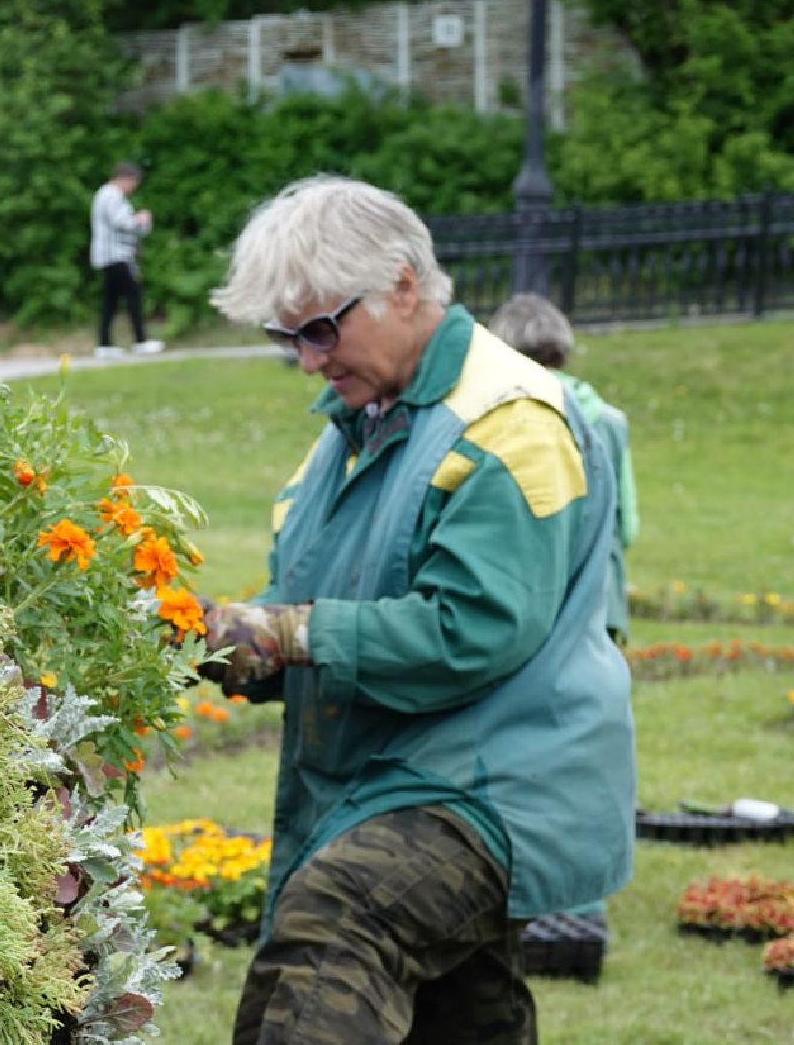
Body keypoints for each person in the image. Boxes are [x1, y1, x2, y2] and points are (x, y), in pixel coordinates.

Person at [200, 175, 636, 1045]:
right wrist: (218, 644)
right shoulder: (349, 435)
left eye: (322, 328)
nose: (308, 361)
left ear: (403, 284)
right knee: (464, 1019)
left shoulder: (509, 419)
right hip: (395, 780)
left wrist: (288, 635)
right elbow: (320, 613)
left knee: (334, 928)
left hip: (493, 787)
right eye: (287, 337)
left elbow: (472, 629)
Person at [489, 293, 639, 646]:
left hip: (535, 597)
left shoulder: (502, 415)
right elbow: (627, 526)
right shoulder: (610, 421)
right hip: (602, 593)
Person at [89, 160, 162, 358]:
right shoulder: (112, 195)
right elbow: (121, 222)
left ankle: (104, 344)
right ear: (125, 179)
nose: (133, 188)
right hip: (117, 256)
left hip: (107, 256)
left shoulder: (104, 194)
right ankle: (140, 341)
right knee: (133, 296)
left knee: (110, 301)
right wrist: (140, 218)